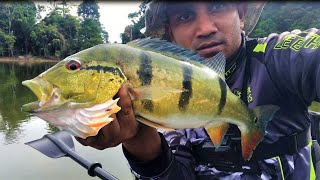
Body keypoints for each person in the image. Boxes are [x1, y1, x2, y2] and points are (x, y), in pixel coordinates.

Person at [76, 1, 320, 179]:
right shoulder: (158, 93)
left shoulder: (278, 58)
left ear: (241, 13)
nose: (205, 28)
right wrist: (139, 140)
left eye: (217, 5)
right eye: (184, 16)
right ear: (170, 32)